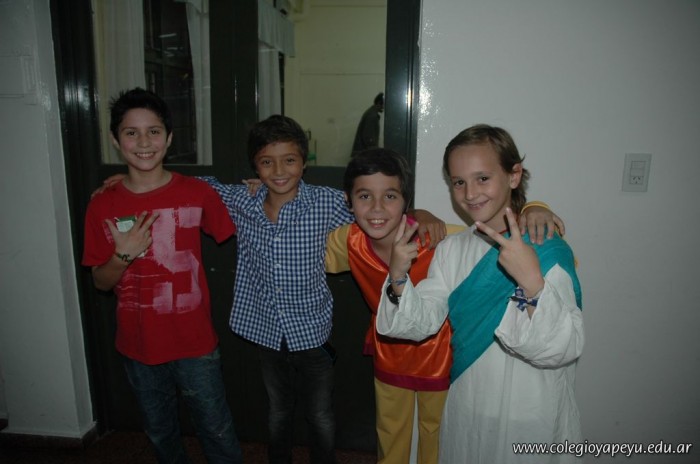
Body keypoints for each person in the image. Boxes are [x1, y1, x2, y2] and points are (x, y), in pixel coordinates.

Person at [201, 115, 445, 464]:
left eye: (289, 160)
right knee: (278, 411)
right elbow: (196, 187)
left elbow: (378, 209)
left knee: (320, 414)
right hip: (265, 330)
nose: (279, 171)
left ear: (304, 162)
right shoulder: (243, 200)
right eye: (267, 162)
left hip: (312, 333)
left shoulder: (327, 203)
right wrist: (132, 179)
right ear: (255, 166)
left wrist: (421, 212)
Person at [326, 148, 566, 464]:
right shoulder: (348, 241)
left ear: (405, 201)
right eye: (365, 197)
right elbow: (305, 254)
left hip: (440, 353)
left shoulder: (437, 238)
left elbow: (492, 236)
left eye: (390, 196)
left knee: (438, 436)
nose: (377, 208)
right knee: (390, 433)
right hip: (389, 350)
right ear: (349, 200)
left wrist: (536, 207)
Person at [376, 125, 584, 464]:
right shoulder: (453, 249)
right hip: (469, 405)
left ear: (514, 175)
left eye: (482, 178)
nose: (470, 193)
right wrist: (398, 276)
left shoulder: (545, 245)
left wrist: (531, 280)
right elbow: (420, 322)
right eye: (458, 182)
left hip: (531, 412)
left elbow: (562, 347)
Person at [82, 88, 243, 464]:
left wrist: (257, 185)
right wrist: (123, 254)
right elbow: (100, 282)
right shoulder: (102, 204)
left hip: (195, 340)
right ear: (115, 140)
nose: (143, 142)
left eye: (153, 131)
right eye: (131, 132)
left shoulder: (198, 192)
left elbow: (240, 219)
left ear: (169, 138)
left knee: (217, 428)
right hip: (139, 344)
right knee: (159, 430)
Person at [352, 92, 384, 157]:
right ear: (379, 103)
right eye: (383, 105)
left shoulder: (371, 112)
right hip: (364, 154)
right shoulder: (372, 116)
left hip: (363, 153)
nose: (384, 107)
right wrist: (374, 153)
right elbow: (369, 138)